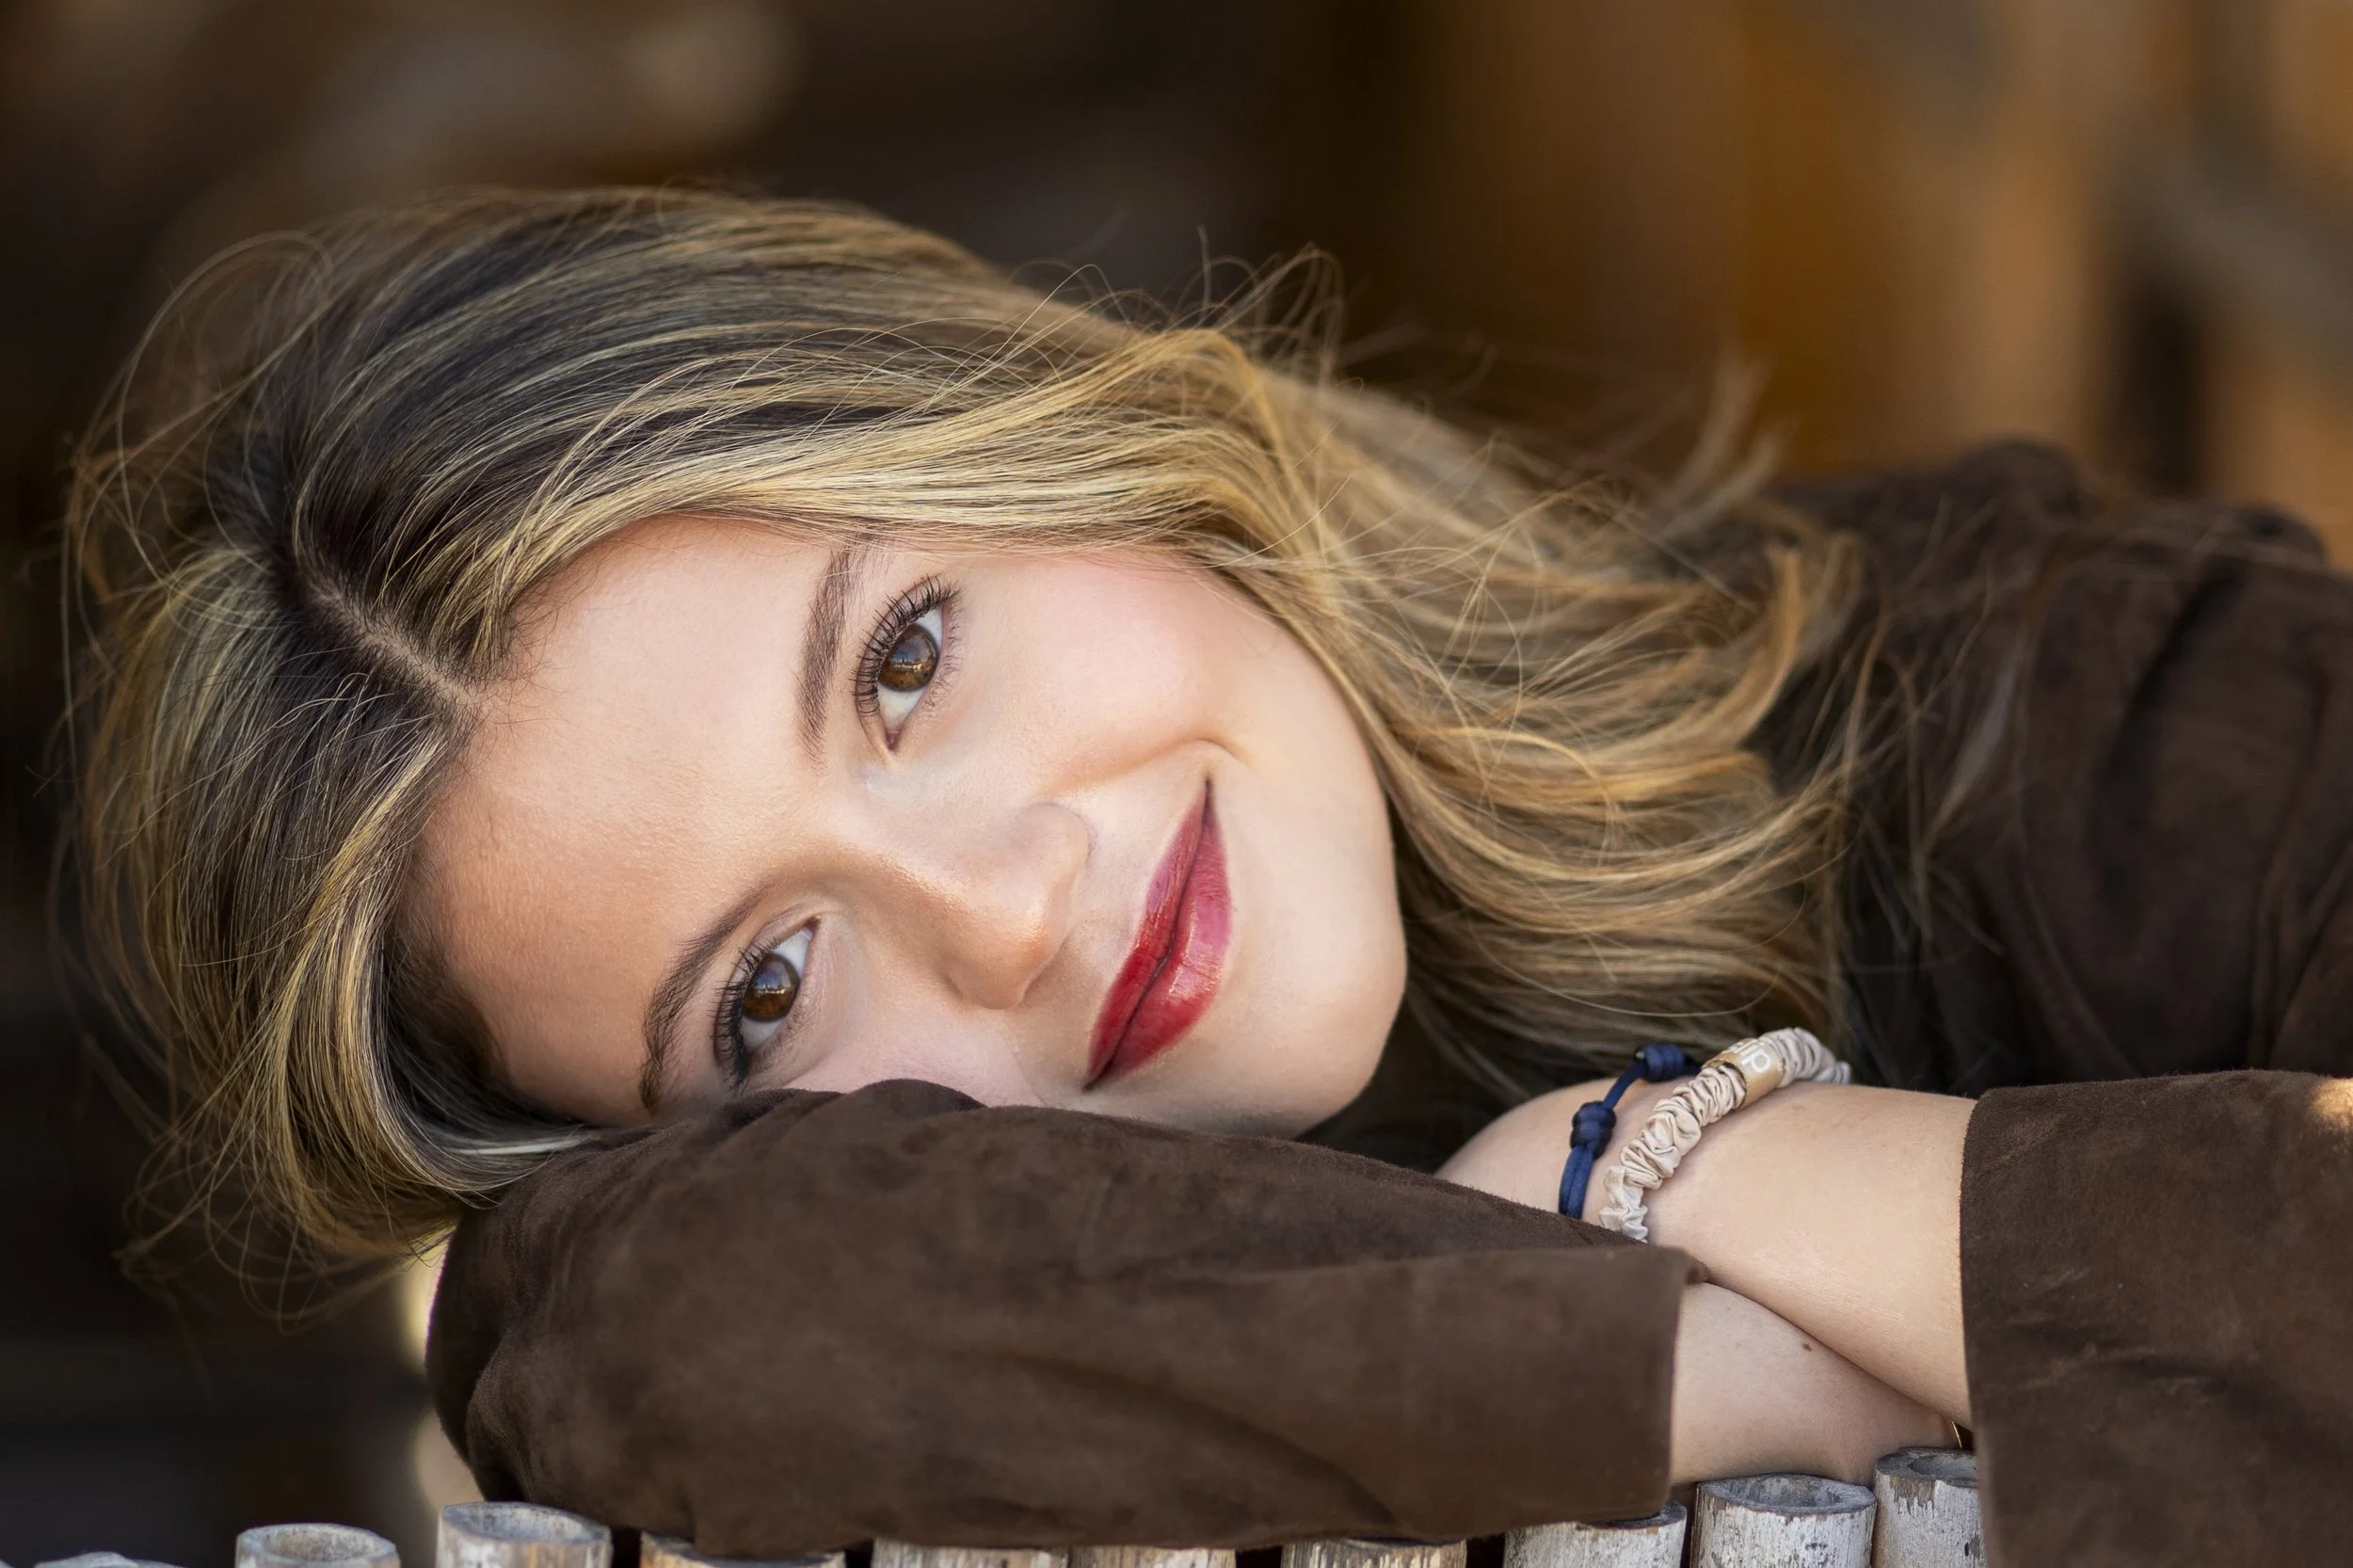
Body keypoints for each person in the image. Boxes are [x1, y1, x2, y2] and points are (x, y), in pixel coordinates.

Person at [68, 189, 2353, 1566]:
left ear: (1069, 441)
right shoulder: (760, 1281)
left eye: (907, 655)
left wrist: (1720, 1176)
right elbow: (687, 1320)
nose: (1011, 902)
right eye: (767, 990)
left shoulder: (2048, 692)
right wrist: (1709, 1355)